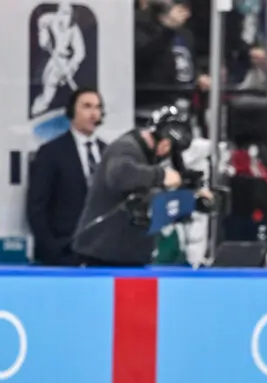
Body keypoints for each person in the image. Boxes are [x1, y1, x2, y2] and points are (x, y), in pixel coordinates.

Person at [70, 106, 188, 267]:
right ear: (165, 141)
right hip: (102, 255)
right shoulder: (126, 147)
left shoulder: (146, 155)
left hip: (127, 254)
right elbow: (120, 175)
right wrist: (161, 175)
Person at [27, 88, 107, 265]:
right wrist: (51, 249)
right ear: (72, 112)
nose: (93, 113)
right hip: (63, 252)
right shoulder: (51, 152)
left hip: (102, 254)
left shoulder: (108, 152)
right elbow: (36, 206)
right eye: (87, 106)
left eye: (97, 107)